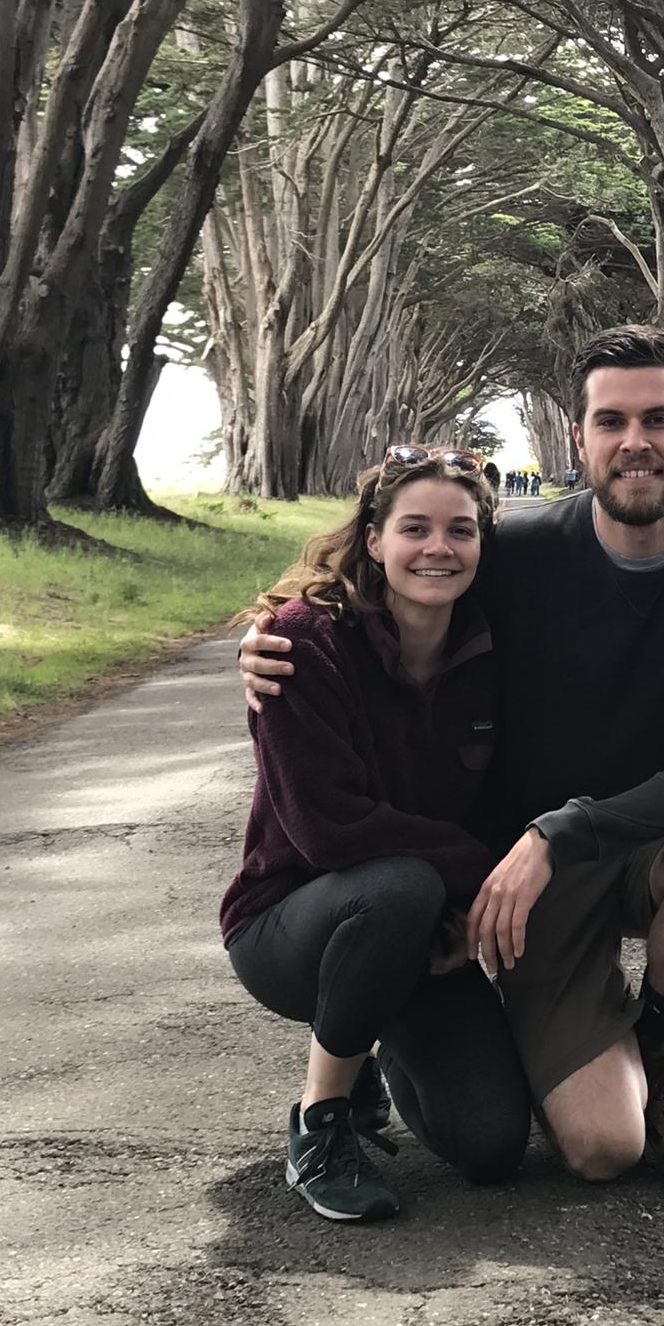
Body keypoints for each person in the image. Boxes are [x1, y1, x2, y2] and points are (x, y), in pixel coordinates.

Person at [240, 326, 664, 1188]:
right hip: (525, 884)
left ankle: (660, 1046)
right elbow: (396, 572)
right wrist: (271, 634)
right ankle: (418, 1047)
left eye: (659, 418)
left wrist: (555, 834)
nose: (636, 442)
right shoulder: (521, 553)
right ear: (579, 440)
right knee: (600, 1151)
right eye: (611, 421)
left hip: (617, 848)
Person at [221, 448, 531, 1223]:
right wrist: (484, 881)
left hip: (426, 932)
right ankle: (321, 1121)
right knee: (399, 883)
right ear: (373, 539)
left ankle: (368, 1049)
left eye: (460, 531)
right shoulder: (301, 643)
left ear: (482, 547)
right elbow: (331, 832)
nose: (438, 548)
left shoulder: (498, 651)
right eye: (415, 528)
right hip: (292, 928)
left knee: (492, 1148)